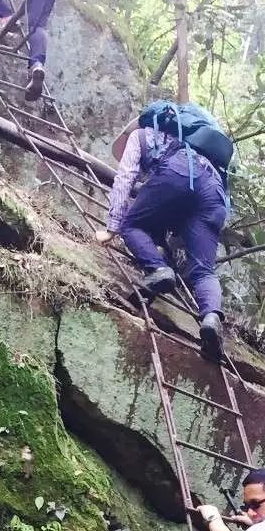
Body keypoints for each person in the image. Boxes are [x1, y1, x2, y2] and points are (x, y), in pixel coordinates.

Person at [95, 107, 228, 364]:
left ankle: (159, 271)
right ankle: (211, 318)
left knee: (131, 225)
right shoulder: (185, 143)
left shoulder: (140, 135)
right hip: (214, 191)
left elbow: (125, 178)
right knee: (204, 270)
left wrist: (112, 227)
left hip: (179, 173)